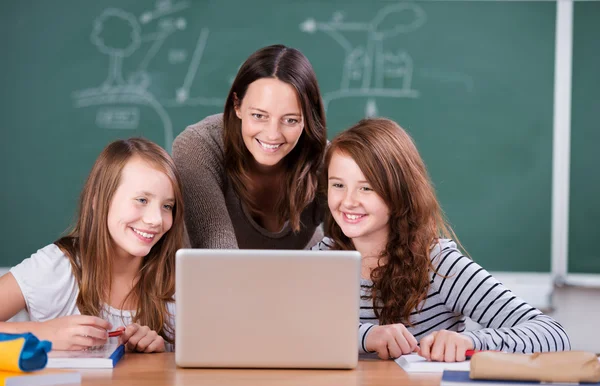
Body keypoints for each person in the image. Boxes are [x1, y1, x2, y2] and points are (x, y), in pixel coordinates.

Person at [313, 118, 571, 361]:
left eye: (366, 188)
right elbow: (280, 332)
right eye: (338, 185)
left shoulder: (438, 265)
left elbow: (552, 335)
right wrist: (365, 336)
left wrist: (471, 341)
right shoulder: (319, 261)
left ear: (399, 192)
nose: (347, 201)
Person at [0, 138, 185, 352]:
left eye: (167, 206)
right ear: (100, 201)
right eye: (142, 200)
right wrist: (42, 333)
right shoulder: (56, 267)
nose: (156, 220)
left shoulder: (179, 283)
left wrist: (160, 356)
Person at [172, 44, 327, 249]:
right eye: (259, 116)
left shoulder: (328, 160)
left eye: (290, 120)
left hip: (302, 276)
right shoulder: (198, 147)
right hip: (214, 280)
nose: (272, 134)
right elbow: (218, 256)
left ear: (308, 117)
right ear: (237, 105)